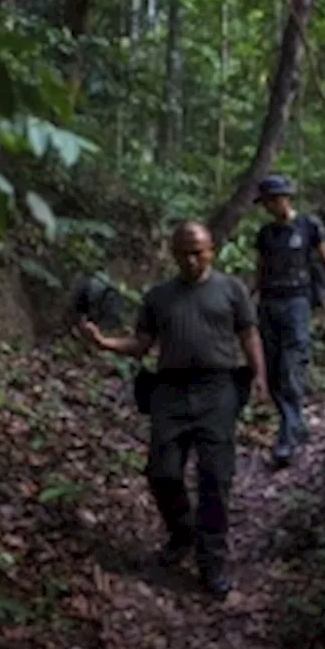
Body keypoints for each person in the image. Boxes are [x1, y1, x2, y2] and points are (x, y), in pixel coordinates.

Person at [79, 220, 268, 599]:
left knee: (216, 477)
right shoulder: (158, 296)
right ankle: (182, 533)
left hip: (217, 388)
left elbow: (248, 334)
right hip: (171, 390)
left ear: (212, 250)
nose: (192, 260)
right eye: (183, 253)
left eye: (198, 252)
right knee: (161, 472)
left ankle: (212, 560)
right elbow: (141, 344)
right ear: (173, 254)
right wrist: (102, 343)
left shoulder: (231, 290)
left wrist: (260, 376)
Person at [253, 174, 325, 466]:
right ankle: (297, 425)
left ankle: (286, 439)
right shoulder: (265, 234)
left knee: (291, 366)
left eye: (275, 199)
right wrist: (244, 304)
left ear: (286, 198)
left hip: (297, 302)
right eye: (267, 202)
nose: (272, 206)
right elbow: (259, 273)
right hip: (269, 304)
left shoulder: (308, 227)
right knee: (272, 370)